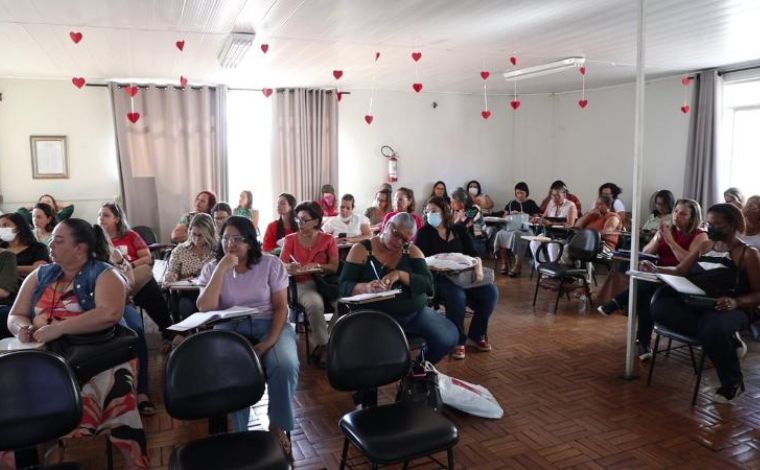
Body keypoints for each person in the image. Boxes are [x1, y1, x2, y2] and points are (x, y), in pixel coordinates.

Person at [7, 219, 149, 468]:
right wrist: (22, 328)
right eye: (52, 239)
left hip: (98, 363)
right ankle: (44, 457)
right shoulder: (41, 274)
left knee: (117, 399)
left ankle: (133, 460)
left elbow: (109, 313)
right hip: (50, 363)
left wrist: (58, 329)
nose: (51, 244)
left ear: (80, 248)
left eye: (59, 241)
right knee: (20, 401)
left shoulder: (105, 273)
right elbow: (15, 314)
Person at [197, 216, 299, 458]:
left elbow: (281, 308)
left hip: (269, 323)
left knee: (285, 365)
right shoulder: (213, 268)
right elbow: (204, 307)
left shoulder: (270, 264)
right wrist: (221, 269)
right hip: (230, 327)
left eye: (238, 239)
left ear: (251, 242)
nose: (230, 244)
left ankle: (277, 425)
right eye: (225, 239)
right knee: (234, 370)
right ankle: (241, 432)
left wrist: (270, 341)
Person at [647, 204, 760, 403]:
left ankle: (732, 382)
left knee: (713, 327)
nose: (710, 228)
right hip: (698, 303)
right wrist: (655, 268)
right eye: (709, 223)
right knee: (659, 306)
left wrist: (736, 302)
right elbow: (680, 270)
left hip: (731, 307)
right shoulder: (705, 246)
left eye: (717, 225)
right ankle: (727, 341)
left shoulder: (748, 254)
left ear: (732, 225)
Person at [339, 212, 458, 363]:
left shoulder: (411, 251)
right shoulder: (362, 249)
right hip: (373, 317)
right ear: (387, 226)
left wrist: (401, 275)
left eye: (405, 240)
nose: (398, 242)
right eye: (396, 234)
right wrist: (365, 287)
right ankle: (371, 384)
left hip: (413, 314)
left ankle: (418, 369)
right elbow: (343, 286)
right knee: (373, 359)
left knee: (448, 338)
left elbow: (429, 285)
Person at [598, 199, 708, 359]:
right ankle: (643, 343)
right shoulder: (669, 230)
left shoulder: (700, 235)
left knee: (645, 291)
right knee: (646, 292)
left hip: (682, 278)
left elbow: (686, 263)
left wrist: (670, 241)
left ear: (693, 217)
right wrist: (658, 237)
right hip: (659, 273)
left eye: (683, 213)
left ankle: (618, 304)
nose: (677, 216)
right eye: (676, 211)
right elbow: (647, 250)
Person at [415, 197, 498, 360]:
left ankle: (477, 334)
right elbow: (419, 261)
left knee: (491, 293)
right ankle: (457, 340)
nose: (430, 215)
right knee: (457, 296)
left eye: (434, 211)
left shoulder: (459, 229)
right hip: (439, 278)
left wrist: (479, 270)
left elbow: (474, 254)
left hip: (464, 276)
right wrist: (435, 266)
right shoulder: (424, 233)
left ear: (444, 212)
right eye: (427, 212)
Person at [98, 203, 174, 344]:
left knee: (146, 281)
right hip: (111, 280)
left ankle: (167, 331)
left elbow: (147, 258)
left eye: (106, 215)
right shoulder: (97, 241)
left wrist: (129, 265)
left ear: (117, 219)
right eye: (100, 215)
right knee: (148, 287)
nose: (101, 218)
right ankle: (169, 331)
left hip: (131, 274)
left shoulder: (130, 236)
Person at [280, 201, 339, 367]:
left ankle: (324, 344)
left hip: (325, 283)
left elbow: (334, 267)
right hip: (300, 284)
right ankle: (325, 346)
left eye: (304, 220)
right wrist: (289, 267)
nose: (300, 224)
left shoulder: (328, 240)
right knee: (314, 303)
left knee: (344, 304)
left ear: (316, 221)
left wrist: (319, 266)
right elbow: (280, 265)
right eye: (298, 220)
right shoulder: (290, 240)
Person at [164, 213, 216, 320]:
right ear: (189, 231)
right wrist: (171, 276)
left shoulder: (217, 249)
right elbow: (171, 273)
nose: (196, 238)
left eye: (200, 235)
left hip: (213, 291)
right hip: (189, 293)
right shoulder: (180, 250)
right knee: (185, 305)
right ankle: (193, 334)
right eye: (193, 234)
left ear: (209, 233)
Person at [494, 182, 542, 276]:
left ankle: (518, 265)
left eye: (521, 193)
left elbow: (536, 219)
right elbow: (505, 216)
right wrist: (511, 215)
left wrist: (525, 216)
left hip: (526, 230)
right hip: (511, 228)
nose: (519, 195)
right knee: (500, 233)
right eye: (517, 193)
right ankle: (504, 263)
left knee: (517, 235)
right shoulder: (512, 203)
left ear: (526, 193)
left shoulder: (531, 203)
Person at [529, 184, 579, 262]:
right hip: (549, 233)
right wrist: (537, 220)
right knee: (534, 243)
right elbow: (544, 218)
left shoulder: (571, 206)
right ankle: (542, 269)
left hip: (564, 236)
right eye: (553, 195)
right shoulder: (551, 203)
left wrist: (551, 224)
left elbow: (570, 225)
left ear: (564, 195)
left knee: (552, 245)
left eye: (558, 195)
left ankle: (553, 269)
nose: (555, 198)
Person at [0, 212, 50, 278]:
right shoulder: (1, 247)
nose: (1, 229)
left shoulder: (38, 248)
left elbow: (39, 269)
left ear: (18, 227)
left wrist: (7, 268)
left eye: (5, 225)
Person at [451, 187, 488, 257]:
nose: (452, 204)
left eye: (454, 202)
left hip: (477, 241)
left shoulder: (474, 208)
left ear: (462, 202)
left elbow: (462, 223)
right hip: (468, 240)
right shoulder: (460, 211)